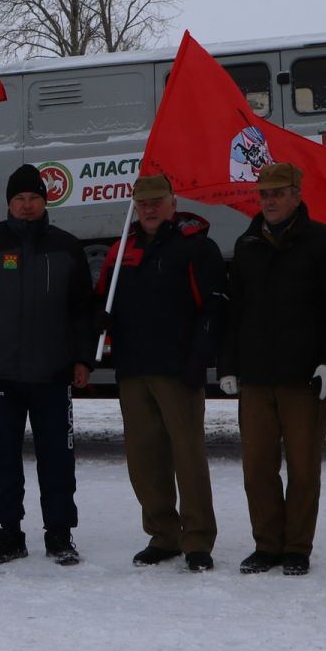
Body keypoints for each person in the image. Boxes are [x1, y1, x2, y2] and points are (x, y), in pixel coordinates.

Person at [0, 164, 99, 568]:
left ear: (45, 201)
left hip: (52, 375)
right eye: (20, 199)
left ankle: (59, 534)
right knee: (4, 459)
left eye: (34, 198)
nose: (27, 205)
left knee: (56, 458)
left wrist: (83, 358)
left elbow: (84, 312)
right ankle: (9, 535)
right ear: (9, 203)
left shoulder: (66, 246)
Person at [217, 162, 326, 577]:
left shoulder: (323, 243)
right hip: (256, 378)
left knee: (303, 467)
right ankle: (267, 545)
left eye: (278, 193)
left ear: (297, 195)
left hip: (303, 379)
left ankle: (296, 547)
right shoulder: (247, 244)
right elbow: (233, 311)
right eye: (264, 194)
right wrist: (228, 365)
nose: (270, 201)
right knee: (256, 467)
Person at [103, 174, 226, 572]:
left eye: (158, 201)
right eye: (143, 203)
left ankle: (197, 539)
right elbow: (101, 299)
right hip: (133, 368)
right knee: (143, 458)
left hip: (178, 369)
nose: (151, 208)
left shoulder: (196, 247)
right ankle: (163, 534)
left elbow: (214, 307)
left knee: (187, 456)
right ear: (135, 207)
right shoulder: (122, 249)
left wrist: (200, 356)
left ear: (173, 203)